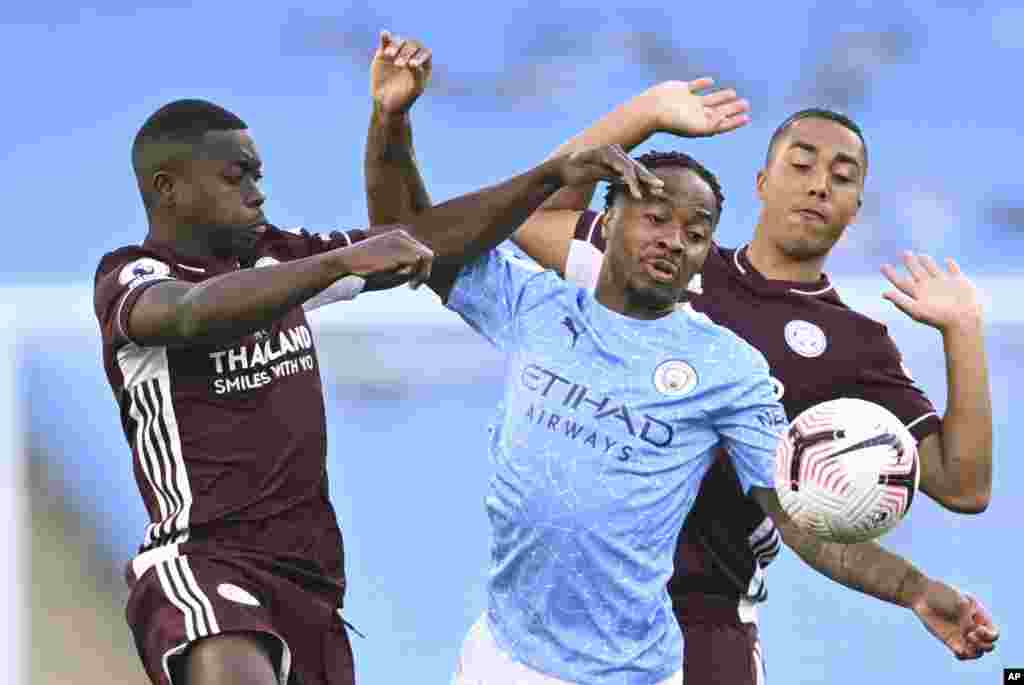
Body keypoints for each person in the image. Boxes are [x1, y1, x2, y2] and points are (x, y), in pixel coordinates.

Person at [363, 37, 999, 684]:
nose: (818, 185)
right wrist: (642, 114)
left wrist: (914, 586)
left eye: (842, 176)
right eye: (802, 163)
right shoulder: (603, 280)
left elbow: (837, 508)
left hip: (699, 627)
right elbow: (474, 227)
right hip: (518, 640)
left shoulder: (799, 352)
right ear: (763, 179)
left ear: (858, 205)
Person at [94, 90, 655, 684]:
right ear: (167, 188)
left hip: (310, 583)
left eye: (259, 175)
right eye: (236, 177)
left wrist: (547, 177)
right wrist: (341, 262)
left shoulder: (276, 262)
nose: (257, 192)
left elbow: (429, 240)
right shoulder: (134, 276)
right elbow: (187, 312)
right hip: (204, 561)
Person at [366, 32, 786, 685]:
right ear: (607, 221)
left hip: (645, 659)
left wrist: (909, 585)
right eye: (654, 216)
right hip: (503, 658)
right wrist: (391, 119)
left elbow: (796, 510)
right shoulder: (542, 304)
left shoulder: (727, 361)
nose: (673, 240)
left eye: (695, 232)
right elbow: (405, 242)